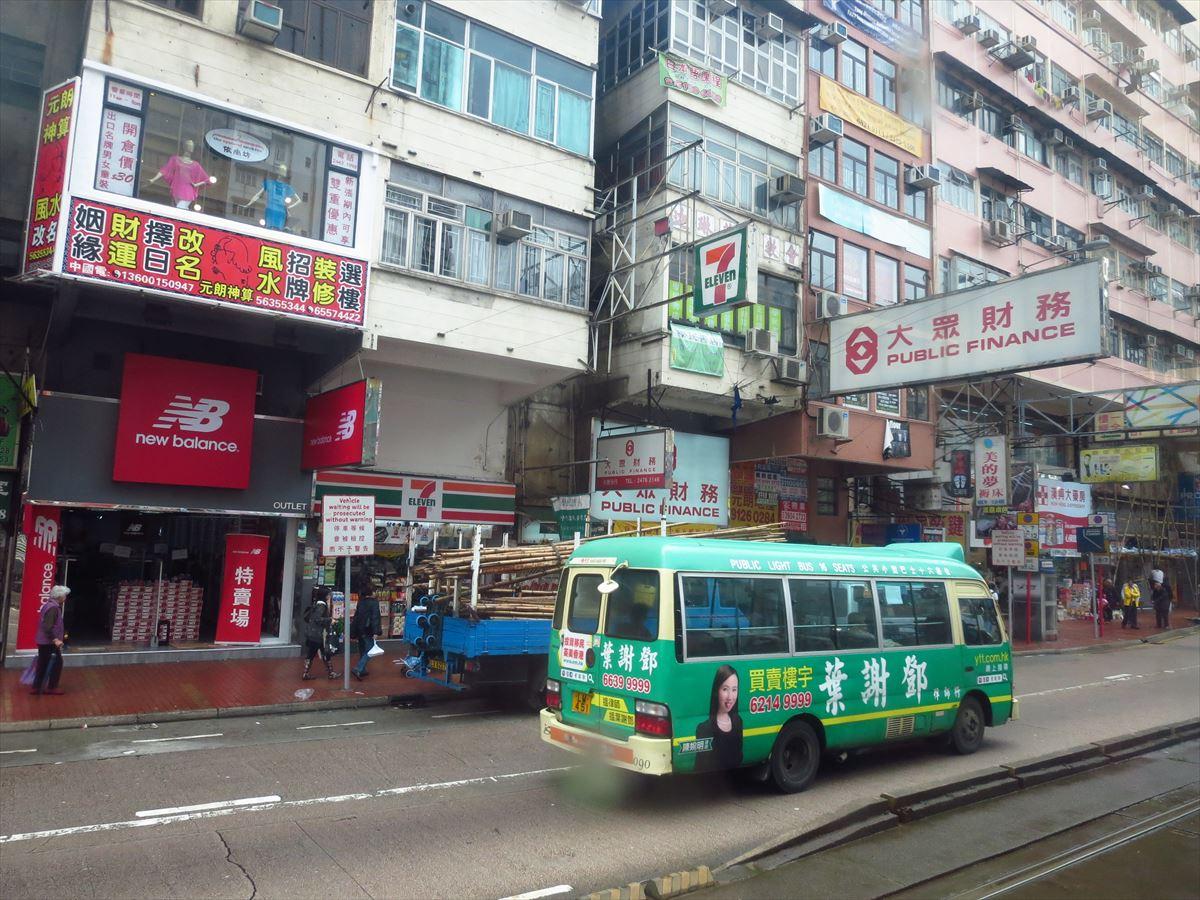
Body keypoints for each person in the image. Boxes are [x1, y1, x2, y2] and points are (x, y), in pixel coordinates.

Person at [693, 665, 743, 772]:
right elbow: (700, 767)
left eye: (734, 690)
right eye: (725, 689)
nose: (730, 697)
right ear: (716, 691)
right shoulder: (704, 729)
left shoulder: (738, 722)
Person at [31, 585, 69, 696]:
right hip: (49, 642)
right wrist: (55, 639)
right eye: (64, 596)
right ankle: (51, 687)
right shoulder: (53, 608)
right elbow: (48, 627)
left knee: (42, 663)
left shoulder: (48, 605)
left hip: (43, 641)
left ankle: (37, 686)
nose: (65, 598)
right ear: (59, 596)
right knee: (57, 663)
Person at [301, 587, 338, 680]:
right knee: (322, 653)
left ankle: (307, 673)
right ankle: (330, 672)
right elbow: (318, 619)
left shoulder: (316, 604)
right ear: (325, 596)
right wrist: (330, 620)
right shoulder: (321, 606)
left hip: (314, 634)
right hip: (318, 635)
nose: (329, 596)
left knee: (314, 653)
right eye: (328, 595)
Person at [350, 578, 382, 681]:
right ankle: (359, 668)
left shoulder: (361, 602)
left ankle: (362, 669)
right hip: (368, 630)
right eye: (375, 591)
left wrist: (353, 630)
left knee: (362, 649)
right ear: (371, 592)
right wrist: (376, 631)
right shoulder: (374, 603)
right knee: (370, 649)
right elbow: (375, 617)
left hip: (360, 629)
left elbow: (356, 616)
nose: (376, 593)